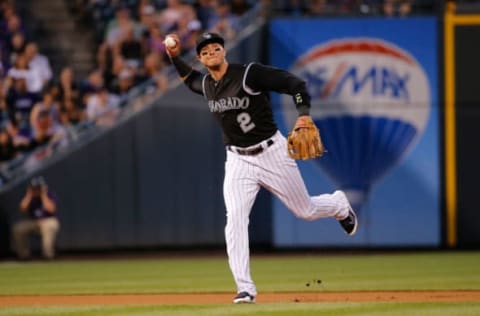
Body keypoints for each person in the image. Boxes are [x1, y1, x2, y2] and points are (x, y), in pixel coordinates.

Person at [164, 32, 358, 304]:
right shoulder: (207, 84)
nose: (211, 53)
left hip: (271, 152)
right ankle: (245, 289)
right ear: (199, 58)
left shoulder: (248, 74)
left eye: (215, 48)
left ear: (224, 51)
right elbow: (191, 80)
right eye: (205, 51)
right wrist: (174, 57)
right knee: (235, 220)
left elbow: (295, 83)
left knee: (305, 210)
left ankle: (338, 204)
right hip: (238, 160)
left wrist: (303, 116)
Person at [12, 176, 60, 260]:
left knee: (49, 225)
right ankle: (24, 256)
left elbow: (51, 209)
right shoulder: (30, 196)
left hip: (48, 221)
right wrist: (29, 194)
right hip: (33, 222)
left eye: (38, 187)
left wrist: (43, 195)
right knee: (18, 228)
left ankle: (47, 255)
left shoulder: (49, 195)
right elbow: (22, 208)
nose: (37, 189)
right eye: (35, 187)